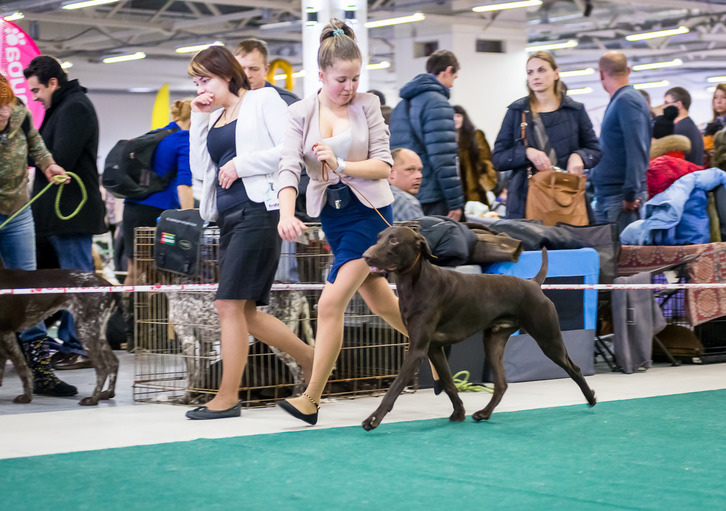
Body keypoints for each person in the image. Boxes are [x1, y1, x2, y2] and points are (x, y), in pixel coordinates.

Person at [276, 18, 407, 425]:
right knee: (381, 303)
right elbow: (287, 167)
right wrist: (285, 213)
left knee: (330, 303)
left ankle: (311, 399)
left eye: (355, 78)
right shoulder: (299, 113)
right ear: (321, 75)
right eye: (341, 80)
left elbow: (384, 165)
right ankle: (436, 347)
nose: (349, 87)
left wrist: (342, 164)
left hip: (369, 216)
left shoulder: (368, 105)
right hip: (332, 216)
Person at [185, 45, 313, 419]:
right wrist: (197, 118)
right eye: (196, 82)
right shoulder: (213, 116)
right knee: (247, 313)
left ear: (227, 75)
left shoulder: (263, 100)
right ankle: (311, 357)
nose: (200, 88)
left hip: (259, 211)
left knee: (228, 305)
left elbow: (291, 149)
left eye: (205, 79)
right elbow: (199, 169)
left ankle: (227, 398)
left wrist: (242, 164)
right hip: (227, 217)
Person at [23, 55, 107, 370]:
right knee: (65, 281)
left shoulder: (74, 108)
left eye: (36, 90)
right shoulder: (61, 107)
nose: (34, 97)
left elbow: (59, 159)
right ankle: (68, 342)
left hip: (71, 213)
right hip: (56, 215)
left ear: (53, 83)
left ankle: (81, 346)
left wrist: (24, 152)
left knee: (77, 280)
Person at [0, 73, 77, 396]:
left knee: (28, 292)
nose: (2, 114)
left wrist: (48, 165)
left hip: (18, 210)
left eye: (4, 107)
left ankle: (41, 372)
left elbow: (36, 144)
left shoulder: (20, 112)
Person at [491, 51, 601, 220]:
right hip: (525, 199)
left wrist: (579, 156)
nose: (535, 76)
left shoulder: (575, 110)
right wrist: (526, 152)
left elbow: (595, 150)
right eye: (530, 72)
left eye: (541, 70)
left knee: (569, 236)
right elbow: (498, 158)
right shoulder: (517, 111)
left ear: (556, 73)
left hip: (567, 197)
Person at [122, 99, 194, 287]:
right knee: (158, 274)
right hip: (156, 213)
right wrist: (191, 220)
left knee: (134, 272)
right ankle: (155, 307)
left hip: (131, 207)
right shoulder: (184, 139)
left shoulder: (158, 134)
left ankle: (126, 306)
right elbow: (184, 185)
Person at [389, 49, 464, 221]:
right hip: (432, 194)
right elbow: (443, 158)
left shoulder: (402, 104)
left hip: (402, 192)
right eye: (454, 77)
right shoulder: (438, 103)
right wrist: (455, 202)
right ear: (447, 71)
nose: (452, 84)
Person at [590, 50, 651, 233]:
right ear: (628, 70)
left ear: (601, 74)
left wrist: (630, 193)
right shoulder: (621, 99)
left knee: (622, 251)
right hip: (611, 195)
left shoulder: (626, 100)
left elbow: (636, 148)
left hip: (620, 197)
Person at [454, 105, 497, 206]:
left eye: (458, 116)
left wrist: (485, 184)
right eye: (452, 116)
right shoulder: (446, 140)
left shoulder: (476, 135)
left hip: (475, 189)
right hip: (456, 190)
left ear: (464, 117)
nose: (455, 119)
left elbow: (486, 161)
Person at [233, 39, 299, 106]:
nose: (247, 75)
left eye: (254, 69)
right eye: (240, 69)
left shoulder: (286, 101)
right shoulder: (230, 100)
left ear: (266, 70)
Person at [663, 86, 704, 166]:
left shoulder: (680, 129)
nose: (663, 107)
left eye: (666, 103)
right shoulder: (689, 125)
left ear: (678, 105)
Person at [388, 147, 424, 221]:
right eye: (410, 169)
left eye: (420, 170)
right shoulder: (407, 202)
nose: (419, 176)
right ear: (391, 172)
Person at [703, 83, 726, 166]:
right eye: (716, 97)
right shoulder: (709, 125)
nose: (719, 101)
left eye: (724, 97)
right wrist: (707, 151)